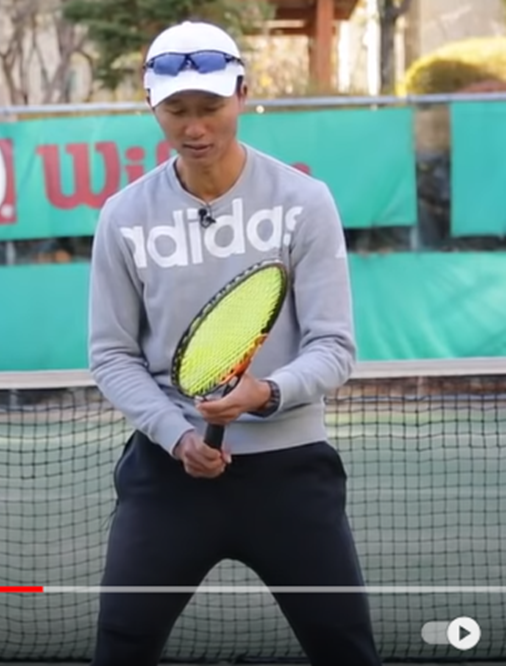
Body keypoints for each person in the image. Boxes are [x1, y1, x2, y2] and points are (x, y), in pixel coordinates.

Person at [88, 19, 382, 666]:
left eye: (211, 107)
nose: (195, 127)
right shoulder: (124, 215)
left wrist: (265, 393)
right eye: (177, 111)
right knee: (121, 649)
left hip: (291, 474)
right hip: (169, 478)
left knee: (345, 649)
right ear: (151, 105)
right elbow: (111, 354)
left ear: (243, 94)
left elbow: (334, 347)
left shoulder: (304, 201)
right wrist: (178, 437)